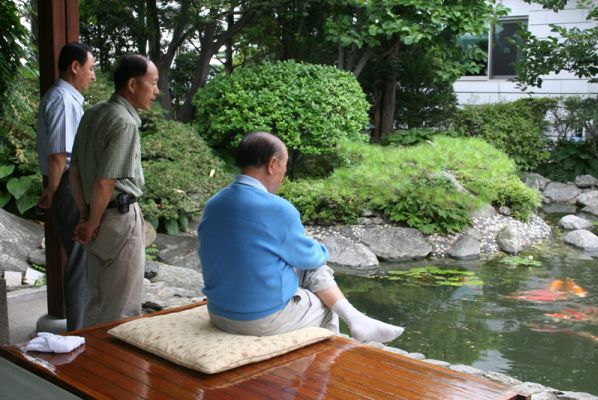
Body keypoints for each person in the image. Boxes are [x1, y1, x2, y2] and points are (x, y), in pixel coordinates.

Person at [198, 131, 404, 343]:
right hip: (259, 320)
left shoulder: (214, 203)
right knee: (325, 303)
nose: (283, 174)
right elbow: (311, 258)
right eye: (284, 166)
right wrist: (322, 249)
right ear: (272, 164)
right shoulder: (277, 209)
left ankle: (358, 320)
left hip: (218, 312)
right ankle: (334, 354)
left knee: (301, 267)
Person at [69, 54, 159, 327]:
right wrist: (93, 222)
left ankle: (88, 363)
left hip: (96, 216)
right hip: (118, 219)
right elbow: (105, 182)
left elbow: (75, 171)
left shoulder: (94, 112)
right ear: (133, 84)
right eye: (153, 83)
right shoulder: (124, 122)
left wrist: (86, 216)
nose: (156, 91)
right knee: (122, 310)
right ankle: (114, 368)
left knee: (96, 302)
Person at [36, 42, 96, 331]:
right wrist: (52, 188)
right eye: (91, 68)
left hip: (66, 185)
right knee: (79, 260)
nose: (93, 76)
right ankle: (80, 332)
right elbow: (61, 152)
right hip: (68, 187)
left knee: (79, 258)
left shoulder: (63, 97)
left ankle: (81, 329)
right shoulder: (62, 99)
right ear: (75, 67)